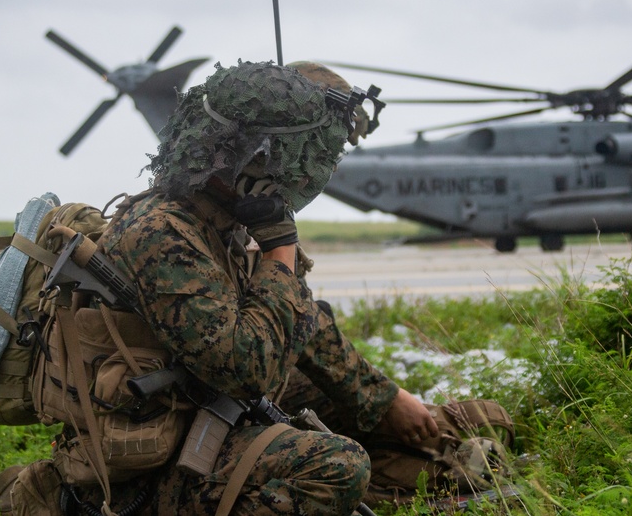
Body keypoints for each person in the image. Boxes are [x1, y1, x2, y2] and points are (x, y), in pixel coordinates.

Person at [92, 60, 438, 515]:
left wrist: (385, 400)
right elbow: (246, 370)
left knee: (343, 409)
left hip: (200, 410)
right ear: (257, 159)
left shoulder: (221, 219)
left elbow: (305, 329)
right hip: (150, 461)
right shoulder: (163, 233)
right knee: (341, 464)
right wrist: (280, 251)